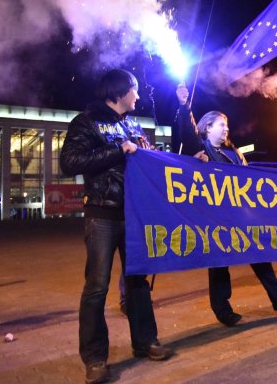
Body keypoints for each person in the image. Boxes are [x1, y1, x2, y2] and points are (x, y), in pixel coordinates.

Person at [60, 69, 172, 384]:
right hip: (102, 215)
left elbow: (146, 161)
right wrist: (117, 150)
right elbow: (69, 162)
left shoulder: (133, 125)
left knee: (137, 281)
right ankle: (95, 359)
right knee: (97, 286)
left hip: (134, 214)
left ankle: (146, 341)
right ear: (120, 91)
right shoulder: (86, 122)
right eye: (134, 90)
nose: (138, 96)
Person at [176, 85, 277, 327]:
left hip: (241, 216)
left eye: (227, 125)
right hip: (215, 219)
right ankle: (223, 311)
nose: (226, 128)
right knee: (219, 264)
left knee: (259, 253)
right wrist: (184, 107)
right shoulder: (201, 151)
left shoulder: (233, 154)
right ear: (207, 128)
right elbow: (186, 131)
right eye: (220, 125)